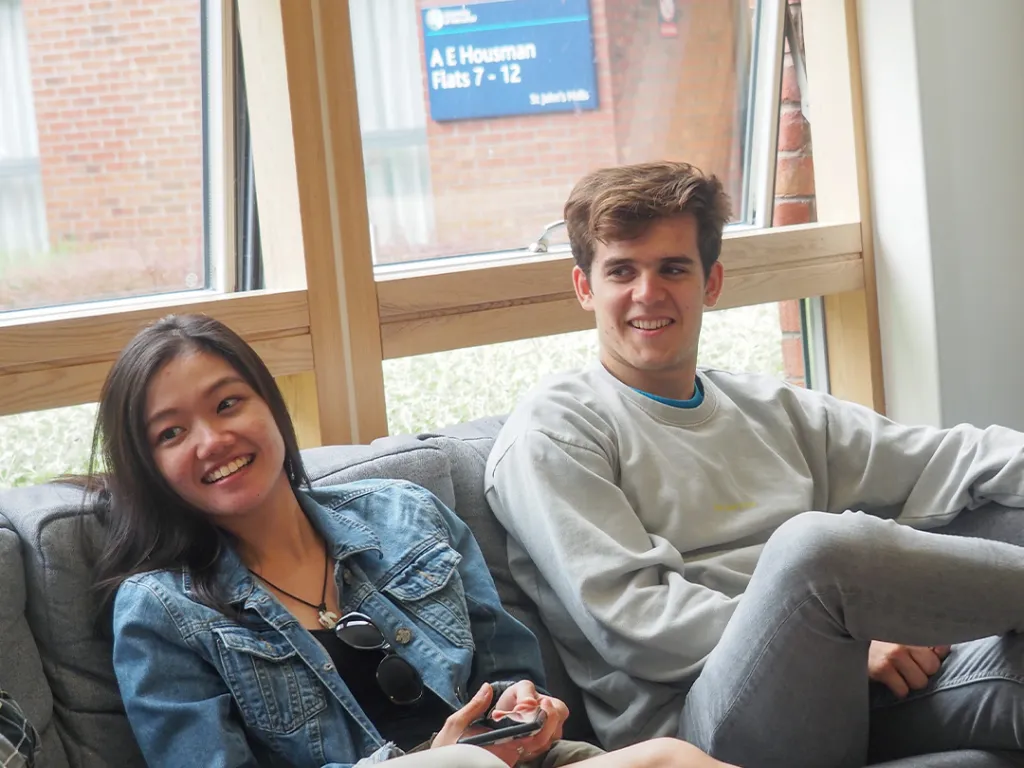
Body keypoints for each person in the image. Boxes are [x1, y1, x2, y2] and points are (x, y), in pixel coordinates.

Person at [484, 161, 1024, 767]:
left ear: (711, 282)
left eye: (673, 268)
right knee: (815, 547)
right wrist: (851, 633)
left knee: (1004, 511)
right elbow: (637, 622)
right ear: (585, 288)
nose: (648, 293)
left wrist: (847, 637)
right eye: (622, 271)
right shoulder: (555, 431)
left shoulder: (769, 407)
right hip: (702, 729)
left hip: (845, 689)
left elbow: (951, 458)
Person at [87, 313, 733, 768]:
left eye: (228, 404)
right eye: (172, 433)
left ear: (270, 406)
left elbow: (508, 668)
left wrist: (522, 710)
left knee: (671, 758)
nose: (212, 440)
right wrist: (436, 761)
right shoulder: (162, 613)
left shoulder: (404, 514)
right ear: (148, 466)